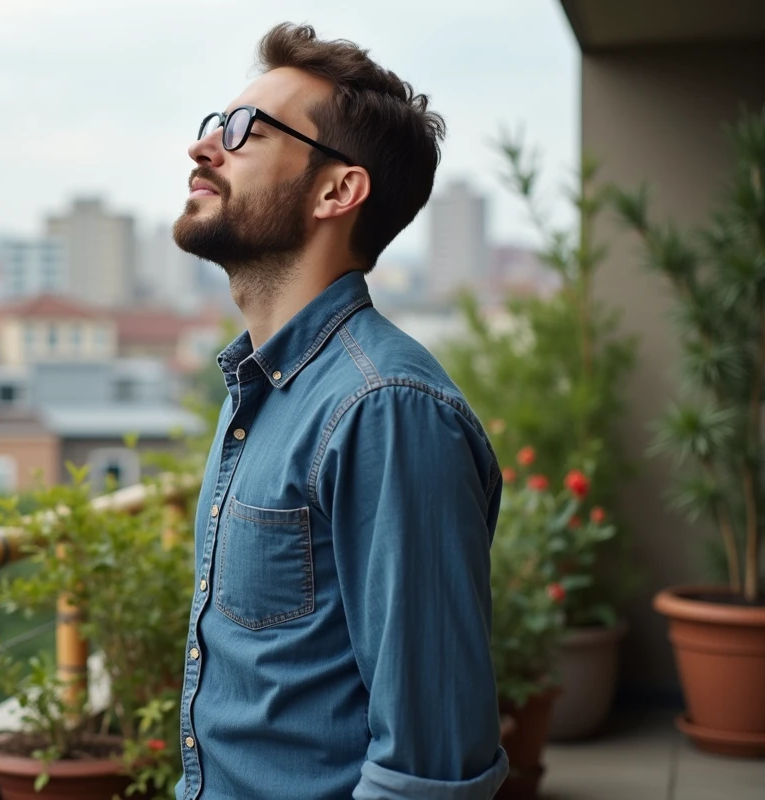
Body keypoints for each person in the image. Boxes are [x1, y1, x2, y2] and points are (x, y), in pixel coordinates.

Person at [171, 22, 509, 800]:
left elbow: (431, 768)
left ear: (337, 190)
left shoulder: (384, 410)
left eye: (245, 131)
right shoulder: (262, 387)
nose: (204, 148)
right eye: (212, 124)